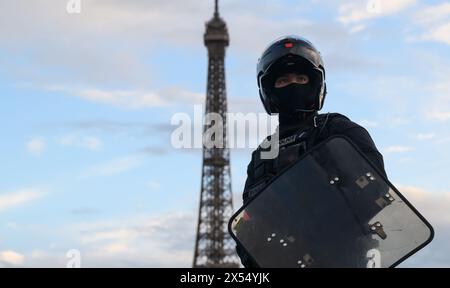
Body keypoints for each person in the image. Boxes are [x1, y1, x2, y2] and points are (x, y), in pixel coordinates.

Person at [235, 35, 387, 268]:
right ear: (269, 91)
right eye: (283, 80)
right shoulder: (262, 155)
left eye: (301, 77)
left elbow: (375, 192)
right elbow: (249, 226)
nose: (293, 84)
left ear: (316, 84)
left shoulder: (339, 130)